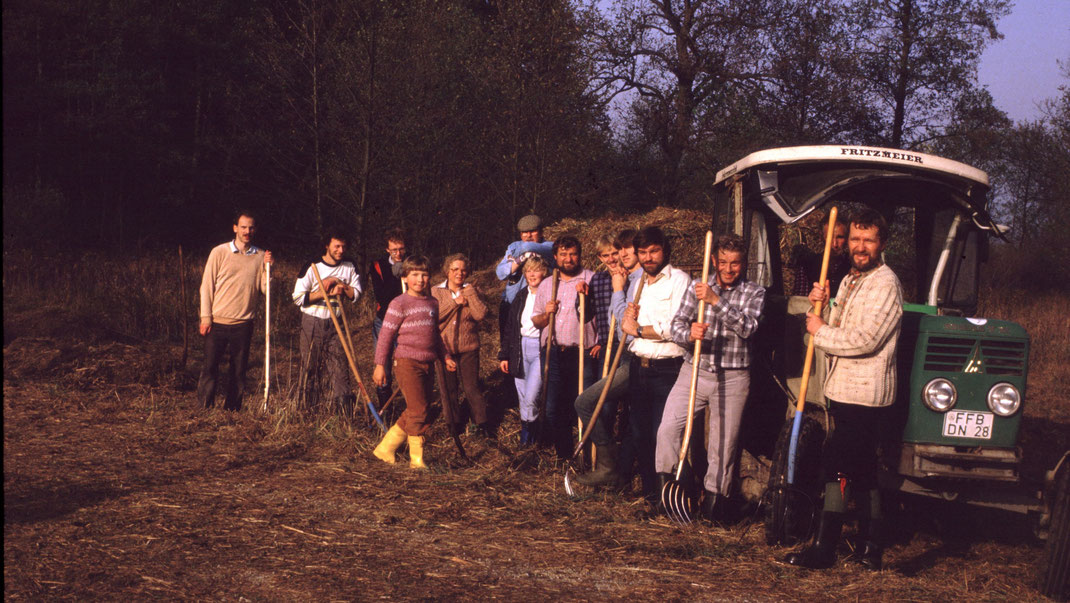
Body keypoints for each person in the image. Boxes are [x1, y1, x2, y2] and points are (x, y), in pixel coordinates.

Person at [784, 208, 903, 571]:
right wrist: (828, 301)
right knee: (864, 470)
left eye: (868, 240)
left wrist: (820, 329)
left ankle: (824, 547)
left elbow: (865, 340)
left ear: (882, 243)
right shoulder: (852, 279)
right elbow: (838, 324)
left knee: (836, 465)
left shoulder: (886, 284)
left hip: (865, 396)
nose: (860, 246)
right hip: (843, 390)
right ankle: (870, 550)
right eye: (854, 239)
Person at [657, 233, 766, 521]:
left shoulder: (754, 292)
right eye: (723, 262)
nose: (729, 269)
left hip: (733, 377)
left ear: (744, 264)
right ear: (714, 261)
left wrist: (716, 301)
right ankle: (669, 496)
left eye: (736, 263)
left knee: (723, 444)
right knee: (668, 428)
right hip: (695, 369)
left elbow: (748, 328)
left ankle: (714, 510)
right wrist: (689, 334)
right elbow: (677, 325)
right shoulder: (697, 287)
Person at [610, 226, 691, 502]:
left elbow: (676, 327)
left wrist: (640, 329)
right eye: (642, 252)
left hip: (667, 368)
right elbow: (625, 326)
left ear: (664, 251)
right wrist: (627, 322)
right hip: (639, 365)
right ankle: (650, 496)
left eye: (653, 251)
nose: (648, 257)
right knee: (640, 432)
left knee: (663, 434)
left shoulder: (680, 280)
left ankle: (669, 496)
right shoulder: (638, 282)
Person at [372, 256, 457, 469]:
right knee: (419, 409)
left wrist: (445, 356)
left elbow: (435, 335)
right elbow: (385, 336)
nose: (420, 280)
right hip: (406, 362)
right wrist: (380, 364)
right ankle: (416, 460)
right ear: (405, 277)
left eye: (425, 275)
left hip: (428, 363)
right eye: (415, 275)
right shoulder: (399, 303)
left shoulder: (432, 303)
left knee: (418, 408)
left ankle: (386, 448)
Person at [572, 228, 641, 487]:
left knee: (625, 409)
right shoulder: (600, 280)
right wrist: (583, 298)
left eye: (617, 252)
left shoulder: (635, 279)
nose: (613, 258)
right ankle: (607, 465)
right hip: (610, 346)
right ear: (599, 258)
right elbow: (590, 316)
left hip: (629, 348)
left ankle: (617, 468)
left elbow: (625, 318)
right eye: (607, 255)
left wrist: (620, 288)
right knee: (601, 406)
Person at [197, 210, 273, 411]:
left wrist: (269, 271)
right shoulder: (219, 252)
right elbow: (206, 286)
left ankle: (232, 410)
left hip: (243, 323)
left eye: (251, 227)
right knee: (210, 368)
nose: (247, 231)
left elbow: (265, 290)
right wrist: (206, 317)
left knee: (238, 371)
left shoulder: (259, 256)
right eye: (243, 227)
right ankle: (204, 409)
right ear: (235, 228)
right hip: (217, 322)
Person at [531, 235, 597, 458]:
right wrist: (546, 314)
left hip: (582, 352)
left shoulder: (592, 279)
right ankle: (565, 457)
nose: (569, 259)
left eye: (573, 254)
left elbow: (603, 317)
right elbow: (536, 321)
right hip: (553, 352)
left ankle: (587, 456)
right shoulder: (548, 285)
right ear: (556, 257)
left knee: (584, 404)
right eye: (563, 254)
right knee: (553, 408)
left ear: (579, 255)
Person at [291, 231, 362, 408]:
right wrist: (323, 290)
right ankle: (305, 409)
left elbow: (357, 295)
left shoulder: (350, 265)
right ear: (327, 245)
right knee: (309, 368)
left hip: (336, 322)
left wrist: (341, 286)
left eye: (344, 246)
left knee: (340, 367)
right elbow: (298, 297)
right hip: (312, 321)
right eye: (336, 246)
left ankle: (344, 413)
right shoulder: (313, 265)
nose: (341, 250)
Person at [431, 254, 491, 438]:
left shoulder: (474, 290)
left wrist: (470, 294)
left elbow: (480, 314)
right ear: (447, 271)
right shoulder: (435, 291)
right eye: (455, 269)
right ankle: (453, 424)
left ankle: (482, 424)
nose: (459, 273)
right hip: (444, 347)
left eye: (463, 269)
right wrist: (454, 302)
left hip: (469, 347)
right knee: (449, 389)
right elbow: (433, 316)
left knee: (472, 387)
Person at [499, 256, 551, 446]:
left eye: (536, 270)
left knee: (531, 396)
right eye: (528, 270)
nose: (532, 274)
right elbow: (510, 327)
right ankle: (527, 438)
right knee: (522, 396)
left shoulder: (549, 295)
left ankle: (534, 435)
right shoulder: (521, 296)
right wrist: (504, 355)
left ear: (544, 273)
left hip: (539, 348)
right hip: (520, 349)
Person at [495, 214, 555, 347]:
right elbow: (500, 273)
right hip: (511, 302)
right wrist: (520, 259)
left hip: (536, 304)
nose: (528, 236)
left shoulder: (550, 247)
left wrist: (517, 257)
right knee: (509, 343)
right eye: (524, 232)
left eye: (532, 231)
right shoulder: (513, 246)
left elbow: (527, 247)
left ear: (541, 231)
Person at [369, 229, 408, 407]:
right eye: (394, 250)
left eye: (401, 249)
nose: (398, 254)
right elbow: (382, 296)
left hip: (407, 324)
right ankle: (386, 409)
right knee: (382, 364)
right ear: (387, 250)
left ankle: (410, 407)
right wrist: (397, 276)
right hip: (384, 321)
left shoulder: (412, 263)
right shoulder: (378, 266)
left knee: (406, 365)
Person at [792, 211, 849, 296]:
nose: (834, 244)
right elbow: (801, 303)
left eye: (840, 237)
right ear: (821, 237)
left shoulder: (853, 267)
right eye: (829, 237)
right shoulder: (807, 266)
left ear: (847, 238)